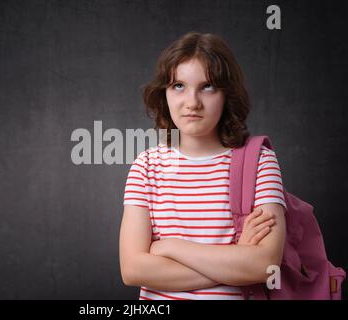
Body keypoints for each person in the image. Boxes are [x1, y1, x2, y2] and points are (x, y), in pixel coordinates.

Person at [119, 32, 287, 300]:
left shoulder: (260, 162)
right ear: (165, 93)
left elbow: (265, 266)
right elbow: (132, 269)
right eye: (179, 86)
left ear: (226, 94)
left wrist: (170, 247)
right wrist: (235, 259)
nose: (192, 103)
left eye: (207, 86)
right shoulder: (146, 167)